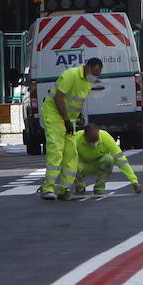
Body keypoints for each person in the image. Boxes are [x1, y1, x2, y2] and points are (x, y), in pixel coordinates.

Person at [40, 57, 103, 201]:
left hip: (69, 119)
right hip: (54, 114)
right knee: (56, 150)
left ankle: (63, 189)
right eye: (93, 73)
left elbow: (75, 102)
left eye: (97, 74)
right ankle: (48, 188)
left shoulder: (87, 82)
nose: (95, 77)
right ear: (87, 67)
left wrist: (76, 116)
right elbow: (58, 98)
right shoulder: (71, 74)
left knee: (71, 153)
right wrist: (67, 119)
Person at [65, 123, 143, 198]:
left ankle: (99, 187)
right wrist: (65, 189)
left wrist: (134, 181)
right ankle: (80, 187)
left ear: (99, 133)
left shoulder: (106, 137)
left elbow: (121, 160)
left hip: (98, 165)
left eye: (96, 140)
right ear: (84, 136)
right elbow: (67, 159)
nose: (94, 144)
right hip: (81, 166)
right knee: (71, 163)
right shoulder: (76, 138)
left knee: (109, 159)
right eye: (91, 141)